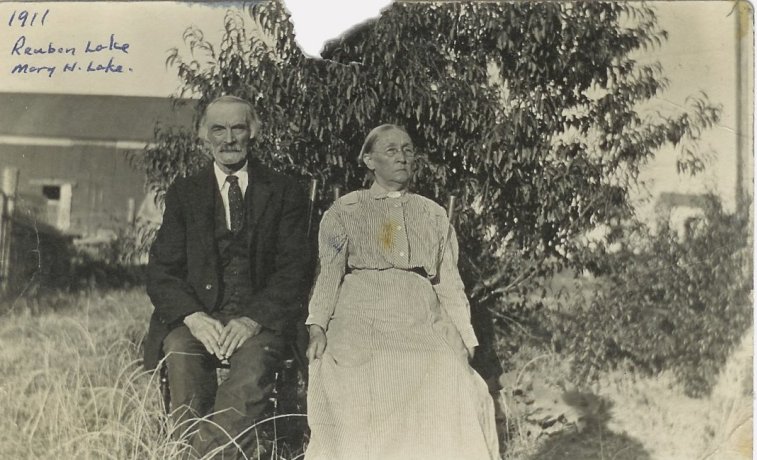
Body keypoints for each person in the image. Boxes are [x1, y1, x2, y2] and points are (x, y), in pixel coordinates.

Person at [304, 124, 499, 460]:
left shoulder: (433, 214)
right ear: (369, 160)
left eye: (408, 150)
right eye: (391, 150)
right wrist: (317, 326)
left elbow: (450, 284)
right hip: (361, 312)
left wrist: (466, 338)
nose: (403, 158)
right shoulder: (346, 210)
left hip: (419, 314)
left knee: (448, 369)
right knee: (359, 371)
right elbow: (329, 274)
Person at [143, 95, 312, 458]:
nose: (229, 138)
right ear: (205, 136)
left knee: (250, 371)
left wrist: (253, 319)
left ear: (253, 133)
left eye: (238, 128)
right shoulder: (185, 194)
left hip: (261, 322)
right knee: (180, 352)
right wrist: (193, 317)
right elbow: (161, 270)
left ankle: (189, 454)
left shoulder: (284, 192)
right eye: (218, 129)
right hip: (198, 319)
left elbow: (295, 270)